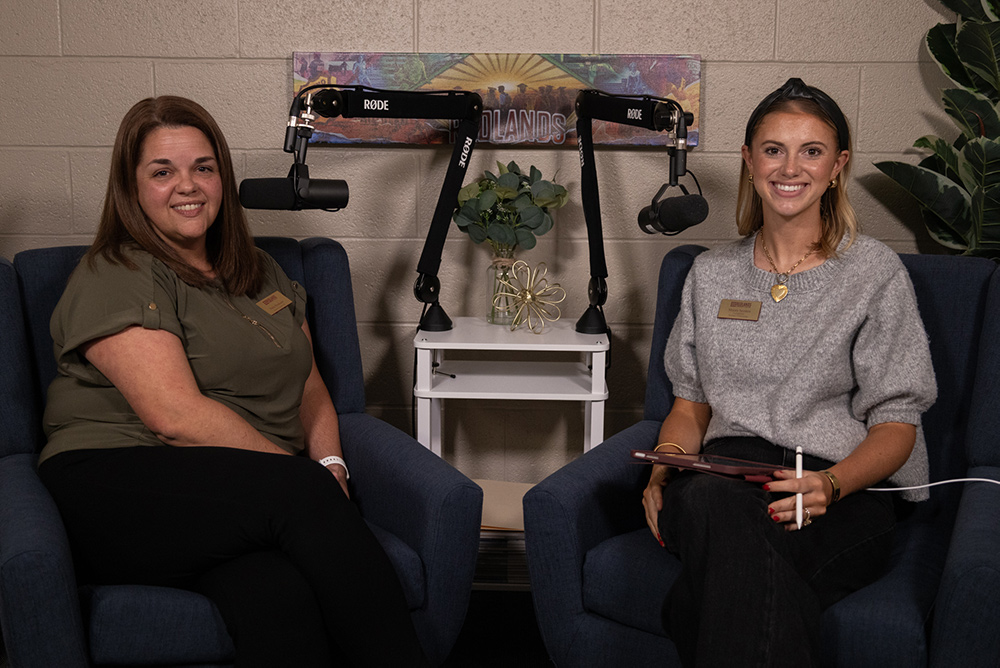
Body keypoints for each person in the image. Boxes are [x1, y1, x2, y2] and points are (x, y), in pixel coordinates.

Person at [36, 96, 428, 668]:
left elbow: (309, 383)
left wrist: (331, 469)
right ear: (131, 186)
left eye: (203, 166)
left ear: (222, 175)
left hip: (229, 499)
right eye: (162, 171)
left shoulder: (260, 269)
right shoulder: (117, 271)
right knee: (297, 499)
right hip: (114, 482)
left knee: (274, 592)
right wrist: (303, 483)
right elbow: (176, 418)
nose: (187, 185)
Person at [641, 78, 936, 667]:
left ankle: (692, 605)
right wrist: (662, 473)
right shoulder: (711, 275)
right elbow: (691, 403)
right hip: (726, 478)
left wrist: (829, 485)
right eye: (773, 149)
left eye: (812, 150)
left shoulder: (874, 272)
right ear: (749, 161)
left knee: (706, 574)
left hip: (842, 488)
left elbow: (897, 422)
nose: (790, 168)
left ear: (837, 166)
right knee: (705, 505)